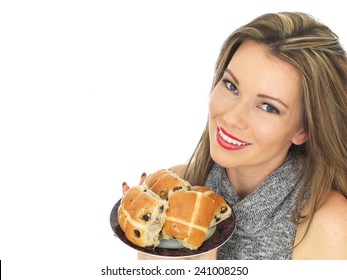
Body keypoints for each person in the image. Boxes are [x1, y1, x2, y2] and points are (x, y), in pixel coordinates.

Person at [122, 11, 347, 260]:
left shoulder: (330, 224)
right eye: (231, 86)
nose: (232, 117)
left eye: (268, 107)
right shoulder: (174, 189)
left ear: (304, 130)